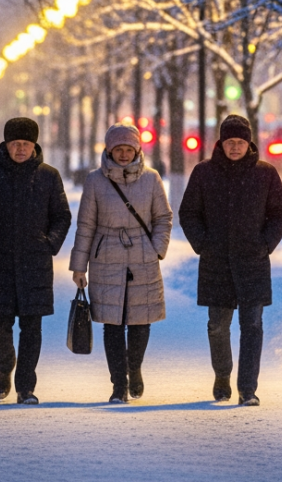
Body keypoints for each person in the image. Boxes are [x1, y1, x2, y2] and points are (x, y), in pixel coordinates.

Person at [178, 114, 282, 407]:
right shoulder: (204, 173)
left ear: (249, 143)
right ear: (222, 143)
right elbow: (188, 213)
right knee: (217, 325)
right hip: (216, 261)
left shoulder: (265, 173)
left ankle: (248, 388)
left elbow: (281, 213)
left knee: (252, 325)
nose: (236, 147)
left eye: (241, 142)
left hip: (252, 261)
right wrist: (203, 243)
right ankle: (223, 375)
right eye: (231, 142)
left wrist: (265, 243)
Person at [0, 117, 71, 404]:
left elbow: (62, 216)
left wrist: (50, 243)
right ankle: (4, 367)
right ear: (7, 145)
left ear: (34, 145)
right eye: (16, 144)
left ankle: (26, 387)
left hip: (35, 263)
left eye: (26, 144)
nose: (21, 149)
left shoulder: (49, 176)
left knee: (32, 326)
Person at [70, 123, 172, 404]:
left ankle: (134, 370)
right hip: (106, 256)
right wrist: (79, 267)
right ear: (109, 150)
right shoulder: (95, 180)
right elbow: (86, 225)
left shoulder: (151, 179)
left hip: (143, 255)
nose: (124, 154)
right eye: (119, 149)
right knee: (112, 323)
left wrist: (156, 250)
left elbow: (163, 218)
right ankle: (118, 384)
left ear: (138, 150)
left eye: (129, 149)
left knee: (140, 320)